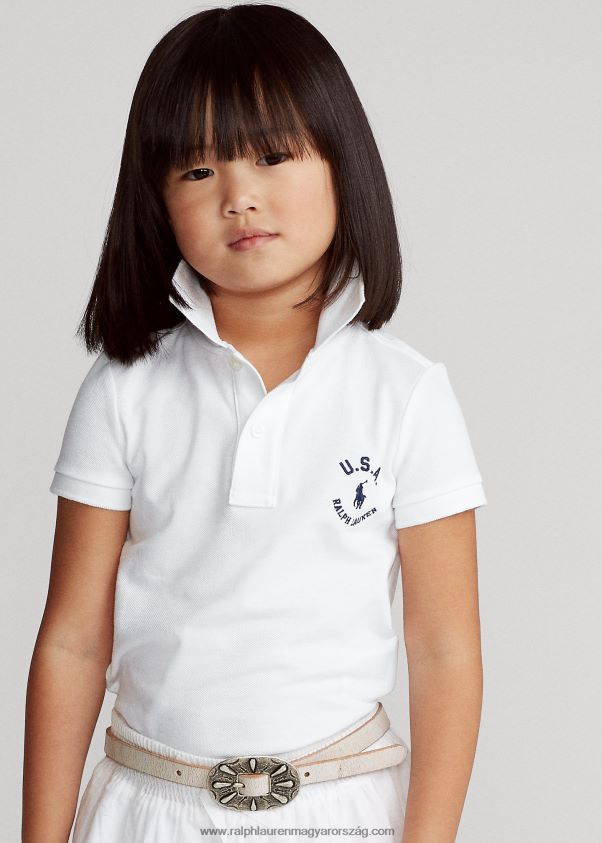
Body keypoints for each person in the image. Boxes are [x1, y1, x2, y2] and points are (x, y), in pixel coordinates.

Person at [22, 5, 488, 842]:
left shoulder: (407, 393)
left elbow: (445, 650)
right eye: (198, 170)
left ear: (342, 161)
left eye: (273, 155)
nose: (239, 197)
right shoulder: (124, 389)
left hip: (344, 805)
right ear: (156, 197)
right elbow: (73, 642)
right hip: (147, 806)